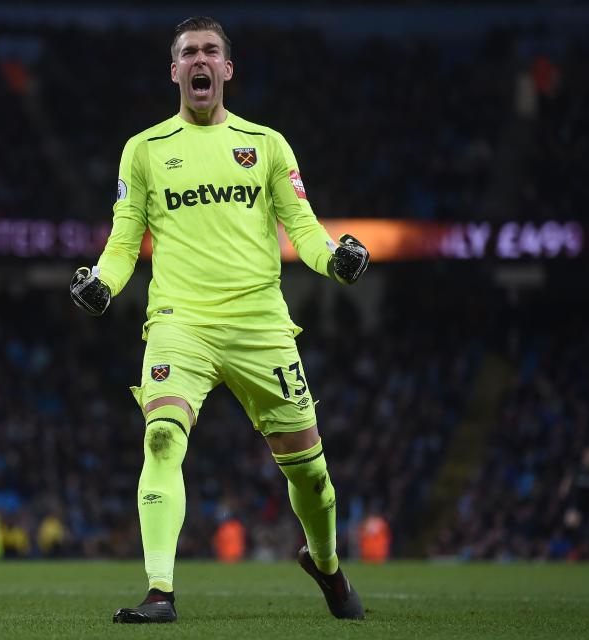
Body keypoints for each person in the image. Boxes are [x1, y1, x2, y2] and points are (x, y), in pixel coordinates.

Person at [71, 16, 369, 624]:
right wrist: (102, 283)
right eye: (188, 53)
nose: (199, 60)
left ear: (227, 69)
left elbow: (305, 233)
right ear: (174, 70)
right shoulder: (145, 150)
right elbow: (124, 243)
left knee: (310, 472)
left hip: (261, 325)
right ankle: (161, 591)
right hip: (181, 322)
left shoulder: (266, 144)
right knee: (160, 436)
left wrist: (337, 261)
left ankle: (327, 564)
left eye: (210, 51)